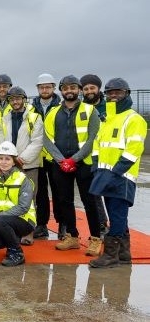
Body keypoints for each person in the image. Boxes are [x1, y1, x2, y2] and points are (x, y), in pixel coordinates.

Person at [89, 78, 146, 268]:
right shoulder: (107, 119)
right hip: (106, 174)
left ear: (126, 94)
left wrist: (116, 173)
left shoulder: (134, 119)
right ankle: (123, 254)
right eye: (110, 92)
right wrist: (96, 166)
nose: (113, 95)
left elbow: (133, 150)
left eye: (118, 92)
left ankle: (111, 255)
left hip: (122, 177)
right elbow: (98, 144)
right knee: (117, 216)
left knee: (117, 215)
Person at [43, 75, 102, 256]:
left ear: (78, 89)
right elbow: (46, 139)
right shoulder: (53, 112)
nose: (69, 91)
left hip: (84, 163)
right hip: (60, 164)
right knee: (64, 200)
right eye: (66, 88)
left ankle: (96, 239)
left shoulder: (90, 110)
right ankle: (72, 237)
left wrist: (73, 159)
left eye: (73, 88)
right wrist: (62, 160)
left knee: (89, 201)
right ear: (61, 90)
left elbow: (93, 138)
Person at [0, 86, 43, 245]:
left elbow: (37, 142)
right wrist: (3, 159)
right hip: (9, 165)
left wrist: (21, 160)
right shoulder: (5, 118)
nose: (15, 101)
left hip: (27, 165)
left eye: (18, 98)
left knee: (28, 200)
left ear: (24, 99)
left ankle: (28, 233)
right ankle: (13, 230)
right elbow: (0, 140)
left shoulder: (34, 117)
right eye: (12, 99)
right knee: (11, 199)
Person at [0, 141, 36, 267]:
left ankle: (17, 253)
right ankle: (13, 242)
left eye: (7, 159)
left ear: (14, 161)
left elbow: (23, 207)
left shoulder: (23, 179)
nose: (4, 162)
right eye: (1, 158)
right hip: (4, 221)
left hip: (25, 220)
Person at [31, 73, 63, 240]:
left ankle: (62, 224)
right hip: (38, 156)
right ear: (38, 89)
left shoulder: (61, 105)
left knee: (59, 191)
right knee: (40, 193)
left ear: (53, 88)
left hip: (56, 156)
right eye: (42, 87)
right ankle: (41, 224)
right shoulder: (32, 106)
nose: (45, 89)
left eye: (48, 87)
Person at [80, 73, 109, 234]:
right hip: (89, 158)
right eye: (85, 88)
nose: (89, 91)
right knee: (94, 193)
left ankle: (117, 231)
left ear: (99, 88)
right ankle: (102, 224)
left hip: (108, 156)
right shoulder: (81, 108)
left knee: (110, 194)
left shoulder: (109, 107)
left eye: (92, 88)